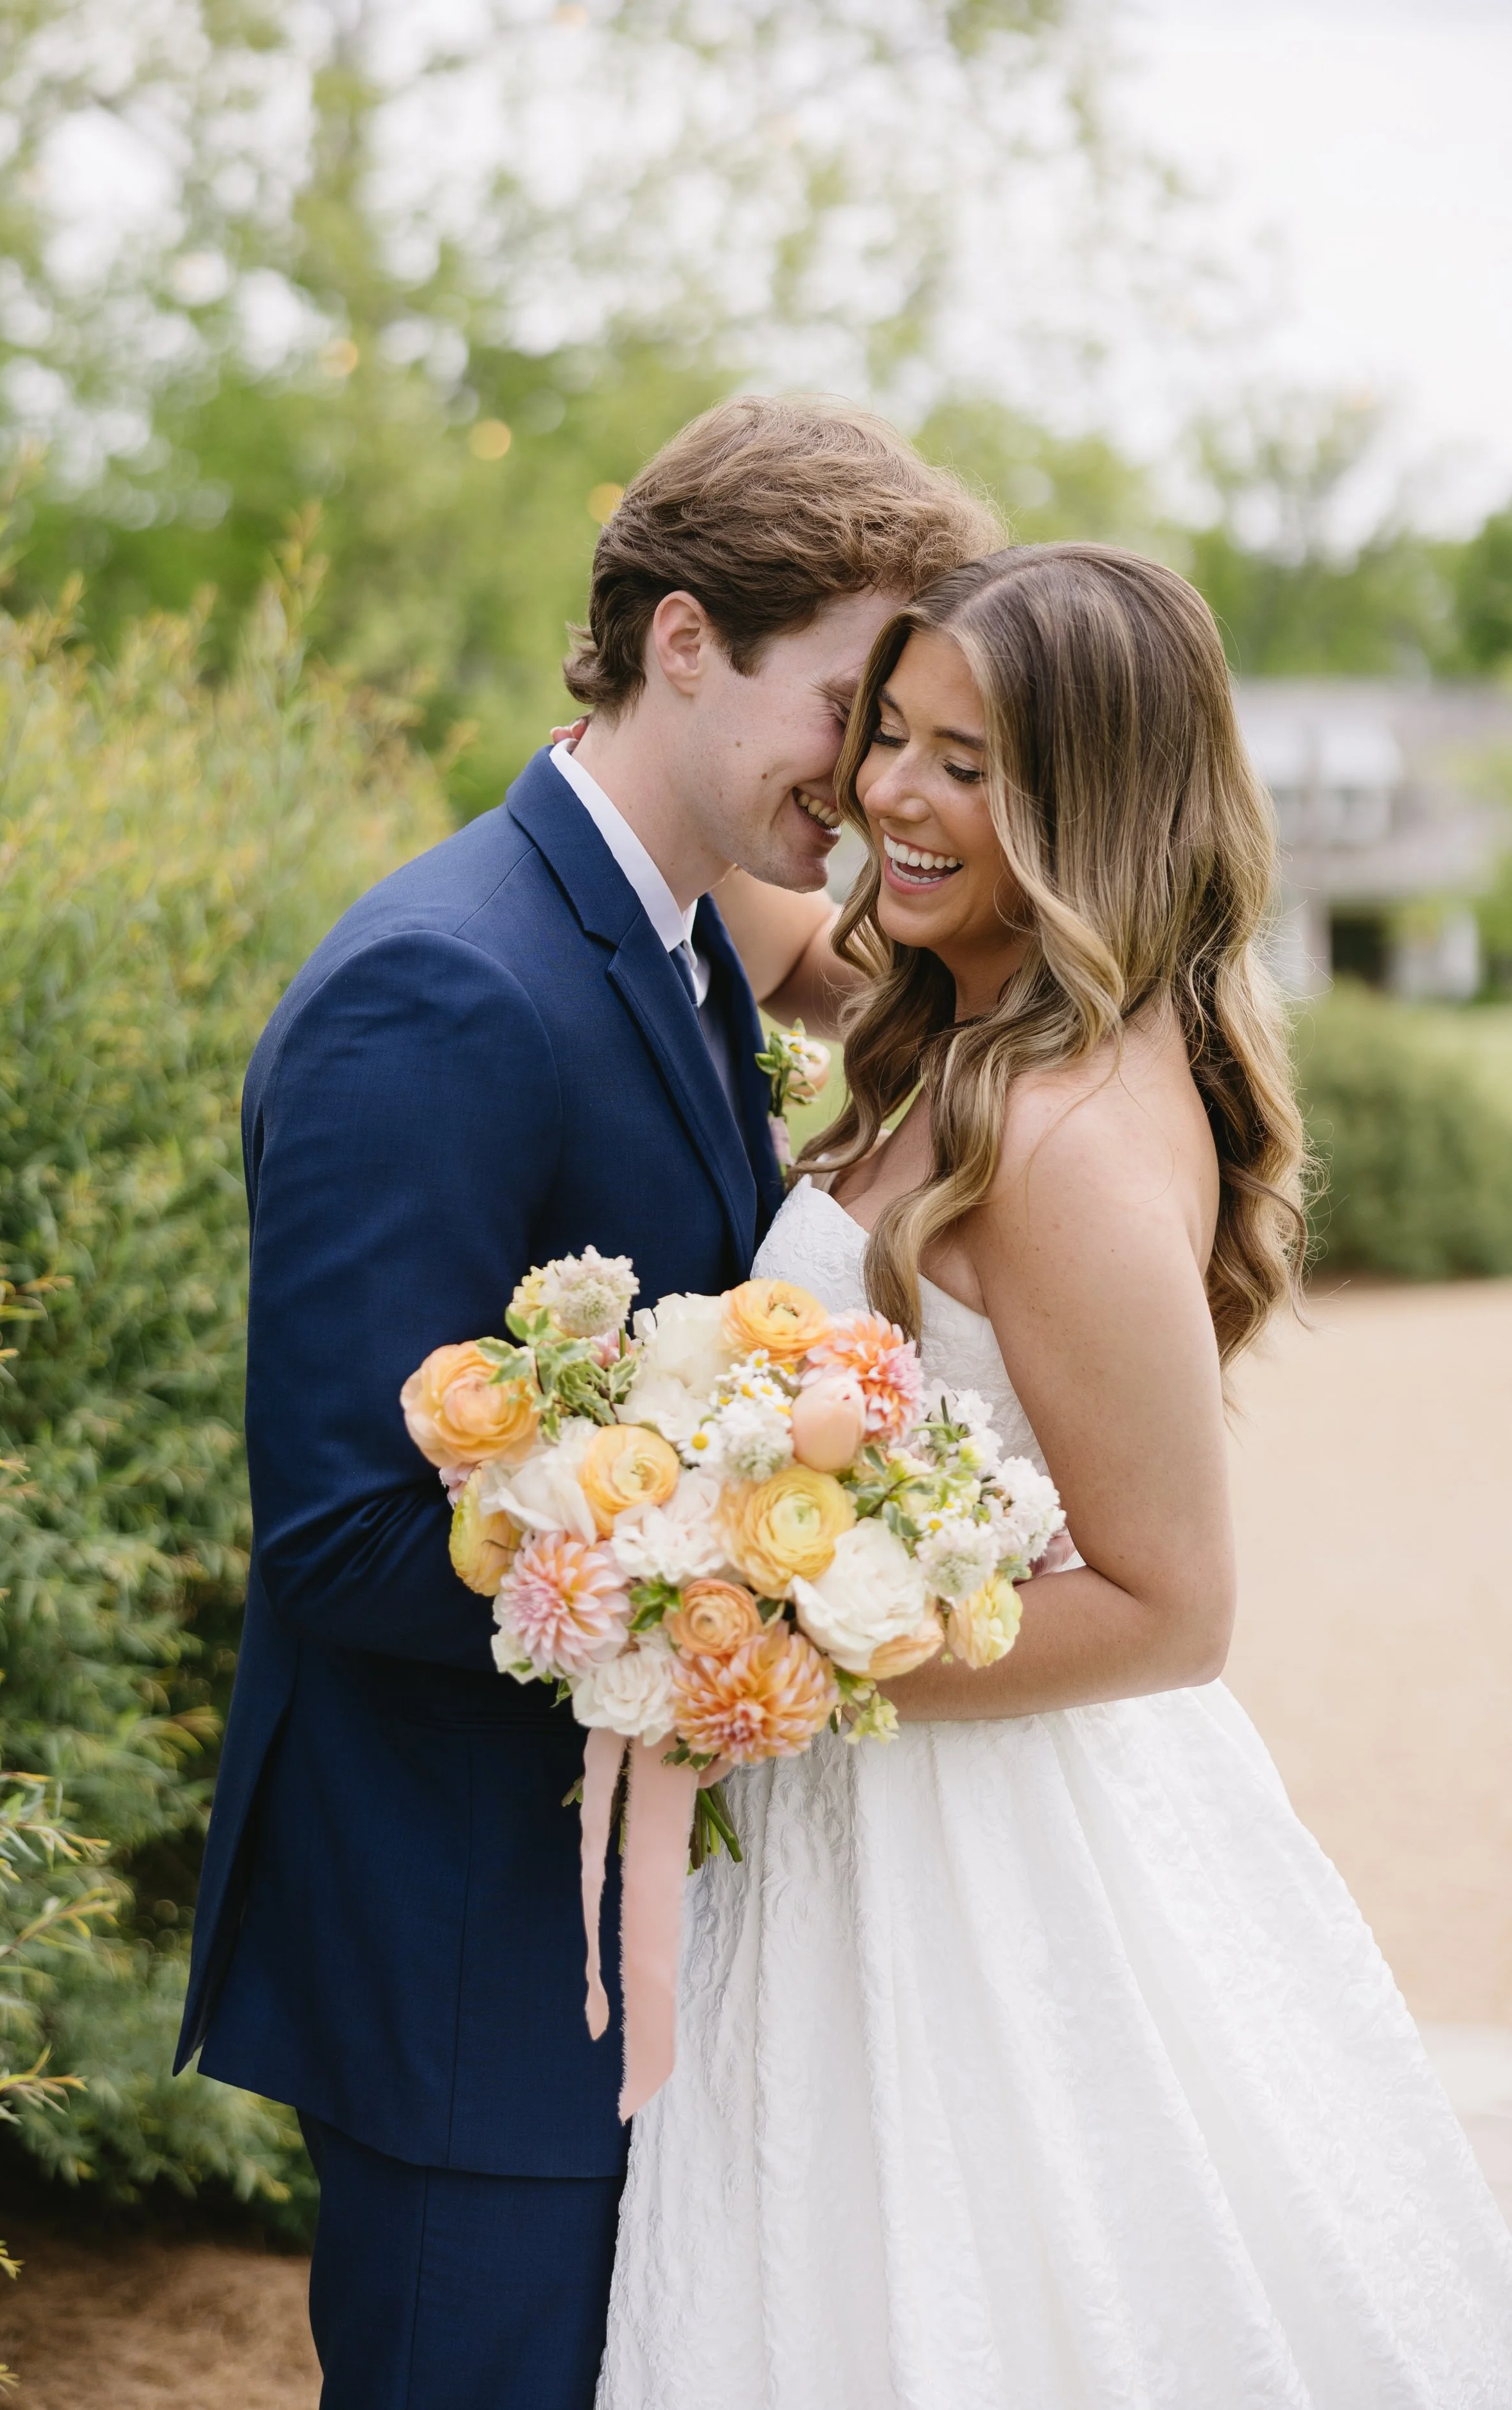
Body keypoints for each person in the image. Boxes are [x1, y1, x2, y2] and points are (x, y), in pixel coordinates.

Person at [599, 546, 1512, 2407]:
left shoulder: (1068, 1136)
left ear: (1089, 806)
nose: (892, 797)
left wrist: (781, 1653)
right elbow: (759, 917)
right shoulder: (951, 1012)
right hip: (849, 1822)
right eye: (890, 738)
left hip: (978, 1851)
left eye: (969, 764)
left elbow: (1174, 1608)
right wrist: (629, 730)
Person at [175, 393, 999, 2410]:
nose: (871, 774)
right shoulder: (442, 983)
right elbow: (349, 1531)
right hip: (466, 1956)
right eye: (848, 707)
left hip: (608, 1931)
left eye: (908, 729)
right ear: (684, 639)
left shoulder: (679, 931)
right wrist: (763, 1606)